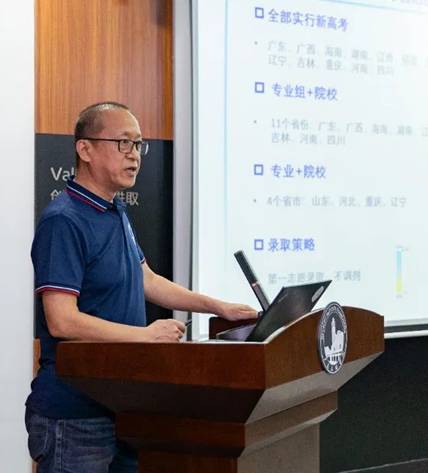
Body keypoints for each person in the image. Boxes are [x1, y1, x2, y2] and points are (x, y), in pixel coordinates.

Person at [25, 101, 258, 473]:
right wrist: (146, 336)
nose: (134, 155)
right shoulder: (64, 220)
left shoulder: (115, 209)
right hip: (76, 414)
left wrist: (217, 307)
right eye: (123, 143)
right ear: (85, 149)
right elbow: (62, 320)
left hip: (126, 404)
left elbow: (146, 279)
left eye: (137, 145)